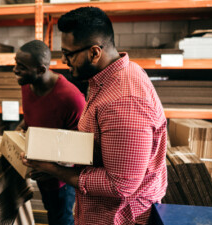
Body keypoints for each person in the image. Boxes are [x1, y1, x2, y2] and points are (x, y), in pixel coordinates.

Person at [22, 7, 167, 225]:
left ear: (94, 53)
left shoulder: (123, 102)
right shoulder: (108, 78)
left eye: (69, 54)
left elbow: (121, 185)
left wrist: (53, 169)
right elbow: (103, 143)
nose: (64, 60)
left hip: (117, 218)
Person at [14, 40, 86, 225]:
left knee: (61, 219)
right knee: (52, 214)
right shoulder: (27, 83)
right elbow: (34, 115)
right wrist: (21, 128)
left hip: (61, 180)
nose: (15, 70)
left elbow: (83, 147)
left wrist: (52, 171)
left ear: (40, 70)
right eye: (16, 64)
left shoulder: (71, 98)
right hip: (41, 173)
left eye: (21, 67)